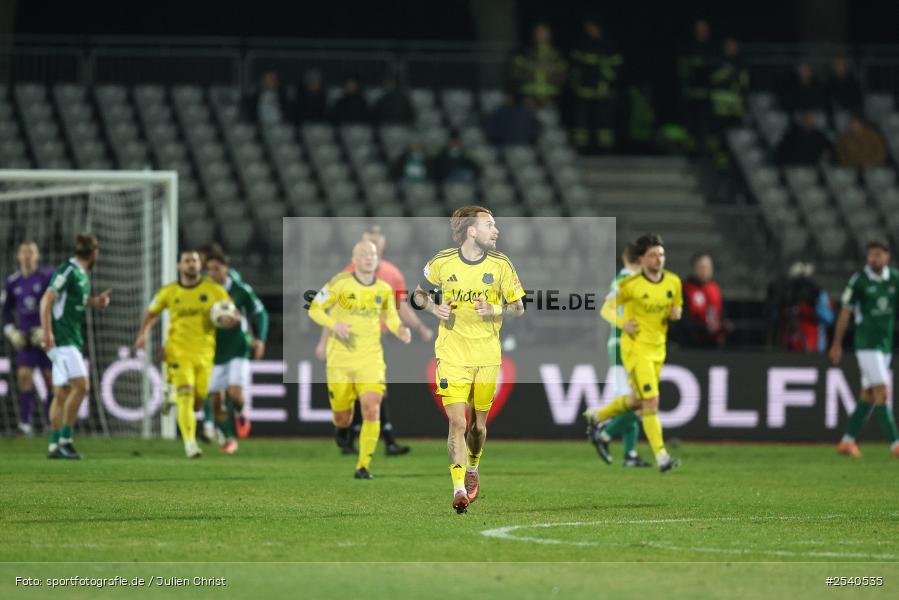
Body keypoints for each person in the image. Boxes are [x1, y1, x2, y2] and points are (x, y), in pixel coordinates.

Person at [412, 205, 526, 514]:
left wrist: (496, 309)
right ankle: (459, 488)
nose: (496, 230)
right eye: (490, 224)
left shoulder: (502, 264)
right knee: (457, 422)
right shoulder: (442, 262)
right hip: (451, 354)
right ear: (472, 230)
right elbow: (417, 296)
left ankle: (473, 466)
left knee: (477, 427)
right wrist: (434, 309)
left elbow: (518, 307)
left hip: (487, 355)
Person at [315, 225, 432, 456]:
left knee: (374, 391)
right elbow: (331, 309)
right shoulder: (348, 274)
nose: (372, 250)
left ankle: (361, 439)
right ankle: (378, 439)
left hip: (377, 339)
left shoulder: (391, 274)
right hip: (349, 341)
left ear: (382, 246)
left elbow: (400, 306)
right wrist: (323, 341)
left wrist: (418, 327)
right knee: (368, 391)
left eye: (376, 244)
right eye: (368, 244)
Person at [308, 241, 412, 479]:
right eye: (363, 254)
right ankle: (342, 429)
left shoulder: (384, 289)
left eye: (372, 254)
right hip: (340, 361)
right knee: (342, 417)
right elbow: (314, 308)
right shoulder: (339, 282)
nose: (369, 257)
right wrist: (334, 324)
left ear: (377, 260)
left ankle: (363, 466)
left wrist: (401, 330)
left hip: (371, 359)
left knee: (372, 408)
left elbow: (392, 317)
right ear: (354, 259)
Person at [587, 233, 682, 472]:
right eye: (652, 255)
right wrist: (623, 325)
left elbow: (676, 304)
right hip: (635, 349)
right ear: (642, 259)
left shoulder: (673, 282)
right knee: (651, 401)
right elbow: (606, 309)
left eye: (661, 254)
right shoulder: (629, 284)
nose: (658, 259)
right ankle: (661, 456)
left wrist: (676, 312)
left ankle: (598, 417)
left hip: (658, 349)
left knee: (638, 401)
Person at [134, 250, 238, 458]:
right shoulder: (169, 292)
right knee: (186, 396)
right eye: (187, 261)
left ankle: (171, 394)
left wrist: (230, 320)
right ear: (179, 266)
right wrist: (143, 334)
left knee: (199, 402)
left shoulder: (214, 290)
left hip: (205, 354)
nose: (191, 264)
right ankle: (190, 445)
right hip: (178, 352)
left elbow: (231, 313)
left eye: (195, 261)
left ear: (200, 266)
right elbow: (151, 313)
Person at [40, 233, 111, 459]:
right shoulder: (68, 270)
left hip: (70, 339)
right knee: (81, 386)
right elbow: (47, 299)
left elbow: (72, 301)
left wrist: (95, 302)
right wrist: (47, 332)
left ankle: (54, 445)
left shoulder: (81, 275)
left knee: (62, 393)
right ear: (94, 254)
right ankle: (66, 440)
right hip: (62, 340)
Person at [829, 240, 899, 459]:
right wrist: (837, 343)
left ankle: (847, 442)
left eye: (877, 255)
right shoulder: (859, 281)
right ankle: (896, 444)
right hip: (866, 344)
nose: (873, 259)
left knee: (868, 395)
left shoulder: (895, 279)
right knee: (882, 391)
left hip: (885, 345)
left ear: (887, 257)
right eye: (870, 255)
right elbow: (845, 312)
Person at [585, 242, 651, 467]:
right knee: (639, 402)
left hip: (623, 346)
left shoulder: (622, 280)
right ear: (641, 259)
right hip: (625, 346)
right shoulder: (630, 281)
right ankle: (602, 429)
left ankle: (630, 454)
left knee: (633, 401)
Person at [204, 251, 268, 454]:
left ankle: (241, 410)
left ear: (226, 268)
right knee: (216, 399)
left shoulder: (240, 290)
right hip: (214, 351)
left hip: (239, 349)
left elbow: (261, 312)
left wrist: (260, 339)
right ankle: (228, 438)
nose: (212, 273)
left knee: (234, 393)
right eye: (209, 269)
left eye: (216, 268)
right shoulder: (204, 291)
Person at [2, 241, 54, 436]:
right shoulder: (13, 282)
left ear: (37, 256)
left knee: (50, 378)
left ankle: (52, 423)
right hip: (25, 338)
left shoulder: (46, 277)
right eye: (24, 252)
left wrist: (47, 329)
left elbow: (56, 306)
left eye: (31, 252)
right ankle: (25, 424)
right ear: (18, 256)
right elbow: (5, 311)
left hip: (45, 335)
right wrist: (11, 332)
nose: (27, 256)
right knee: (24, 375)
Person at [569, 17, 623, 152]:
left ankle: (605, 148)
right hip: (583, 90)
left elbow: (617, 69)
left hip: (603, 90)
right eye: (587, 28)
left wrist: (610, 84)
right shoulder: (581, 46)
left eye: (592, 27)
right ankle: (582, 148)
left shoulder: (609, 47)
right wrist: (575, 85)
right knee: (581, 122)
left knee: (604, 122)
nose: (589, 30)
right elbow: (574, 68)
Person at [678, 19, 714, 153]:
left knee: (706, 124)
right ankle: (691, 150)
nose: (702, 31)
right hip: (692, 93)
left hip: (708, 95)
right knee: (691, 123)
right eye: (699, 28)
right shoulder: (689, 48)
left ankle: (706, 150)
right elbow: (683, 70)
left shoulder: (712, 48)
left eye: (704, 28)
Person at [511, 23, 567, 108]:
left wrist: (550, 75)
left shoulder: (557, 55)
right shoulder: (524, 53)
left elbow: (563, 77)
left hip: (551, 101)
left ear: (549, 34)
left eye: (543, 32)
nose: (540, 35)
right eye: (537, 32)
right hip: (527, 100)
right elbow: (515, 74)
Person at [679, 253, 729, 347]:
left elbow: (721, 314)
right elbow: (683, 319)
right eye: (702, 267)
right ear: (694, 269)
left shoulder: (715, 289)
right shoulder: (686, 289)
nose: (705, 271)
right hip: (692, 344)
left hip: (715, 343)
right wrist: (703, 328)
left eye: (708, 267)